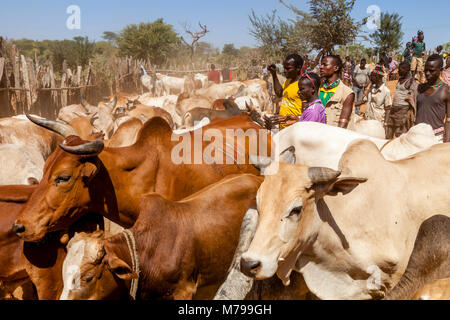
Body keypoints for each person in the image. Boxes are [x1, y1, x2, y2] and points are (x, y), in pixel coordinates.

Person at [415, 54, 450, 143]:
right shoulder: (420, 88)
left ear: (441, 70)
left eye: (431, 71)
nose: (427, 73)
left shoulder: (446, 91)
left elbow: (449, 120)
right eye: (426, 70)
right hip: (417, 136)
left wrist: (446, 143)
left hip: (436, 138)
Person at [264, 54, 304, 129]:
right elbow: (279, 93)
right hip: (283, 129)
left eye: (288, 68)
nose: (285, 71)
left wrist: (298, 119)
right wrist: (274, 74)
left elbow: (308, 111)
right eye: (284, 68)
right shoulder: (288, 81)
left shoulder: (303, 85)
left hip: (296, 129)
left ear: (298, 68)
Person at [319, 54, 355, 129]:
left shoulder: (347, 93)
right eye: (321, 64)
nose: (321, 67)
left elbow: (342, 126)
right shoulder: (318, 88)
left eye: (325, 65)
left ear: (335, 68)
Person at [386, 61, 418, 138]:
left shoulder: (411, 82)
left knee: (399, 133)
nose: (398, 71)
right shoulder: (400, 80)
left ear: (407, 70)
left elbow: (415, 97)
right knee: (389, 130)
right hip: (394, 108)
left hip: (403, 110)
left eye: (400, 70)